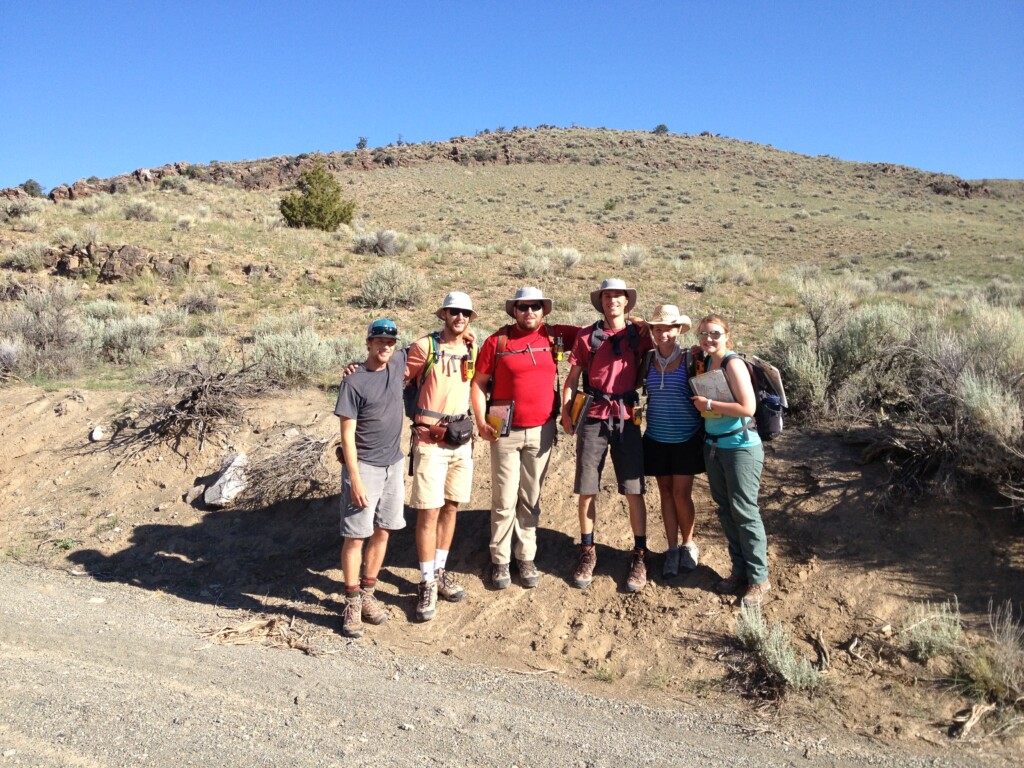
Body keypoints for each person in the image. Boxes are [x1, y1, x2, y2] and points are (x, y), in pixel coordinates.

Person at [471, 287, 582, 589]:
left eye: (535, 306)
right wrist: (480, 420)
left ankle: (526, 556)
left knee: (530, 498)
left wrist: (634, 323)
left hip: (542, 429)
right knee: (504, 499)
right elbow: (479, 383)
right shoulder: (498, 341)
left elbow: (596, 334)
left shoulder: (555, 336)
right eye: (523, 307)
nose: (529, 312)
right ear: (514, 311)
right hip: (503, 429)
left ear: (544, 310)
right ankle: (500, 560)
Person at [560, 278, 653, 593]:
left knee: (633, 487)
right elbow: (572, 378)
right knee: (587, 487)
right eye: (607, 296)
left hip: (627, 417)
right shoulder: (588, 336)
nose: (613, 300)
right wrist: (566, 410)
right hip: (594, 417)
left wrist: (643, 324)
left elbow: (666, 342)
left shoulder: (639, 334)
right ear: (600, 301)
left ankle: (640, 553)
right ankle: (587, 550)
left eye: (618, 296)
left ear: (627, 301)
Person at [689, 314, 771, 607]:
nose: (708, 339)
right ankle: (740, 570)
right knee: (726, 510)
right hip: (715, 447)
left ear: (727, 335)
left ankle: (759, 579)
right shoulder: (706, 361)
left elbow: (747, 407)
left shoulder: (732, 363)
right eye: (703, 334)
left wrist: (709, 404)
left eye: (714, 334)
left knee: (745, 511)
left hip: (741, 448)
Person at [407, 291, 478, 622]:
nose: (460, 317)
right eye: (454, 311)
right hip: (429, 441)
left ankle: (439, 572)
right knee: (428, 511)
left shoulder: (471, 347)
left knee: (451, 506)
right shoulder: (425, 347)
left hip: (461, 441)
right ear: (444, 314)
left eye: (465, 313)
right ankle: (425, 582)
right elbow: (396, 378)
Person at [334, 318, 407, 639]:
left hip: (394, 465)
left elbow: (438, 338)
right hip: (364, 467)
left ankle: (367, 593)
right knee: (356, 537)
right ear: (368, 343)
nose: (385, 346)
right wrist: (355, 479)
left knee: (383, 531)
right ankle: (350, 601)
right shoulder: (354, 382)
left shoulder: (398, 363)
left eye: (390, 342)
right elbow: (346, 436)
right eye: (379, 341)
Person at [642, 305, 705, 579]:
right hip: (656, 437)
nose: (664, 333)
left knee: (681, 494)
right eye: (658, 328)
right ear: (653, 332)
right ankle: (671, 549)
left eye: (669, 328)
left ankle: (688, 544)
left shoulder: (693, 359)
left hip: (686, 437)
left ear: (679, 330)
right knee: (665, 494)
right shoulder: (646, 360)